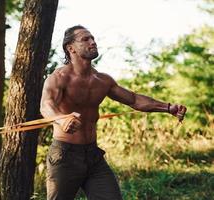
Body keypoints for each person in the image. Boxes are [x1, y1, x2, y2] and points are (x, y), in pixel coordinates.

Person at [40, 25, 187, 200]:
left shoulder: (102, 80)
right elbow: (46, 105)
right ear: (70, 48)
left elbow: (134, 100)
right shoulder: (58, 78)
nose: (93, 42)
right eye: (85, 39)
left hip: (93, 156)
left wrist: (168, 107)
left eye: (93, 38)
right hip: (65, 155)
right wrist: (60, 119)